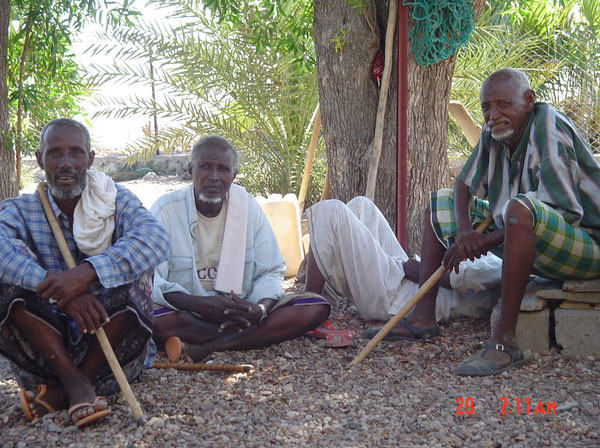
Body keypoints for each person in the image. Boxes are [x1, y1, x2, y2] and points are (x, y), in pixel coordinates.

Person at [385, 68, 600, 376]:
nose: (493, 114)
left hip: (587, 245)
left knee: (519, 207)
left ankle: (504, 344)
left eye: (502, 104)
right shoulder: (495, 132)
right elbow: (463, 185)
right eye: (486, 107)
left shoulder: (548, 129)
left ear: (528, 100)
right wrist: (464, 232)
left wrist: (483, 241)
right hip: (530, 237)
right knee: (439, 202)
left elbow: (564, 212)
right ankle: (423, 319)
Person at [0, 118, 169, 426]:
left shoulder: (114, 200)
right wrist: (59, 292)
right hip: (43, 362)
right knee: (8, 279)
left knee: (137, 273)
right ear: (40, 160)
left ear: (90, 159)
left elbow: (155, 238)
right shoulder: (22, 209)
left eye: (76, 153)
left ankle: (76, 385)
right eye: (55, 154)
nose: (66, 164)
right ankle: (72, 380)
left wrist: (88, 273)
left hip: (113, 364)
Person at [150, 135, 330, 362]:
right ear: (190, 170)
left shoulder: (247, 207)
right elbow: (150, 280)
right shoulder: (165, 210)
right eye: (206, 167)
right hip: (189, 312)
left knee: (314, 306)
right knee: (147, 317)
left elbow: (270, 270)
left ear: (233, 176)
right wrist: (199, 304)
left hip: (241, 311)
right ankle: (241, 339)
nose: (214, 177)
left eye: (223, 169)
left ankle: (207, 346)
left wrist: (260, 309)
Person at [303, 196, 502, 334]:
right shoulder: (495, 250)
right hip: (406, 280)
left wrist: (423, 270)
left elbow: (465, 278)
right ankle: (325, 286)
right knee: (361, 205)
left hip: (400, 301)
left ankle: (306, 307)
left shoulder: (500, 264)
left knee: (331, 210)